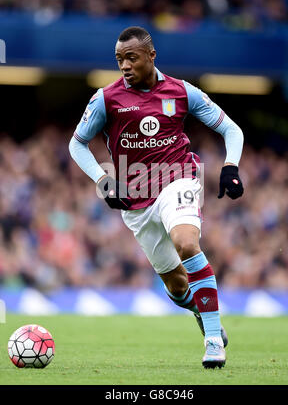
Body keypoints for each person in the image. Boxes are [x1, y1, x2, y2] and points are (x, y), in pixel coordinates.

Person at [69, 26, 244, 369]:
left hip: (177, 179)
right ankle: (200, 309)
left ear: (151, 55)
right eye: (119, 59)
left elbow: (230, 128)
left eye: (131, 58)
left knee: (187, 244)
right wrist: (104, 180)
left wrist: (230, 165)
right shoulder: (106, 98)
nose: (124, 65)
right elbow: (77, 143)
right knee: (178, 288)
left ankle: (212, 342)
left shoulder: (181, 92)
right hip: (135, 198)